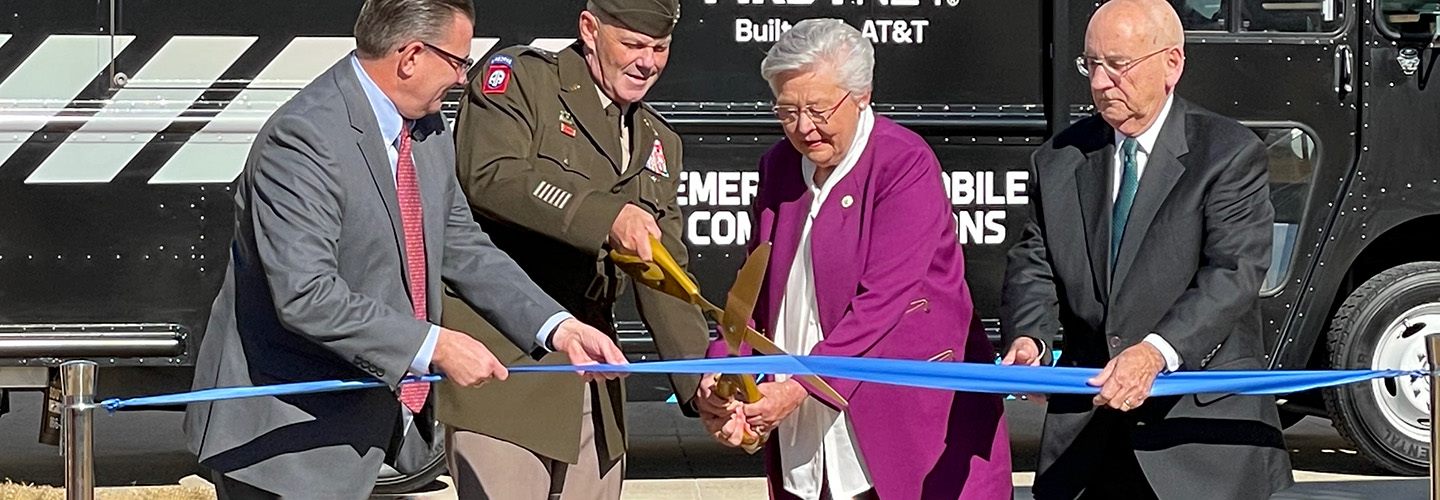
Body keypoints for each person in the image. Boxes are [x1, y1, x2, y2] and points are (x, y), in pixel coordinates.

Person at [183, 1, 626, 497]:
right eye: (459, 62)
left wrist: (557, 327)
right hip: (286, 442)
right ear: (411, 56)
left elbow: (462, 246)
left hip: (368, 429)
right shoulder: (304, 139)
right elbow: (306, 295)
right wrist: (433, 345)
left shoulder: (427, 127)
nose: (463, 79)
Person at [695, 18, 1012, 500]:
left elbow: (880, 305)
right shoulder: (778, 166)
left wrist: (798, 387)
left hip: (899, 430)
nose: (803, 128)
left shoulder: (904, 163)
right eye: (787, 111)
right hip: (805, 435)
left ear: (861, 94)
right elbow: (755, 296)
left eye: (818, 109)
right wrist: (722, 374)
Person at [999, 1, 1293, 498]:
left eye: (1118, 65)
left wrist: (1156, 354)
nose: (1098, 82)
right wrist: (1031, 339)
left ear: (1172, 63)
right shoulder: (1059, 159)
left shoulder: (1227, 152)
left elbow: (1233, 272)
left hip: (1198, 441)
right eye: (1091, 64)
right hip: (1088, 441)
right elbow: (1036, 262)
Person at [439, 0, 709, 498]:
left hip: (595, 384)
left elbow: (665, 275)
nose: (647, 61)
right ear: (589, 28)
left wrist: (701, 380)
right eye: (631, 44)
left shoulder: (659, 141)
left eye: (660, 48)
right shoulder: (522, 80)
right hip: (508, 372)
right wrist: (606, 217)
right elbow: (491, 174)